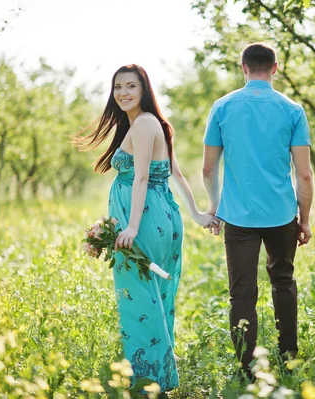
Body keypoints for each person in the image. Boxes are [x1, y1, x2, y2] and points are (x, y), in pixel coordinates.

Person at [76, 64, 217, 392]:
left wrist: (132, 227)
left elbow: (141, 177)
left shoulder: (143, 125)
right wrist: (195, 214)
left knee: (140, 299)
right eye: (117, 87)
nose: (123, 93)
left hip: (145, 222)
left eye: (131, 87)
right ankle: (158, 379)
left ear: (144, 90)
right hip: (162, 220)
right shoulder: (156, 124)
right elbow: (176, 174)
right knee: (156, 296)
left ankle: (147, 383)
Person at [202, 43, 314, 379]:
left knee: (242, 293)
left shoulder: (222, 107)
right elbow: (304, 173)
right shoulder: (292, 110)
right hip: (282, 216)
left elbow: (209, 170)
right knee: (283, 282)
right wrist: (304, 218)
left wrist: (215, 207)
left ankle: (245, 368)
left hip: (238, 217)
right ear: (275, 68)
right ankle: (289, 359)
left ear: (243, 67)